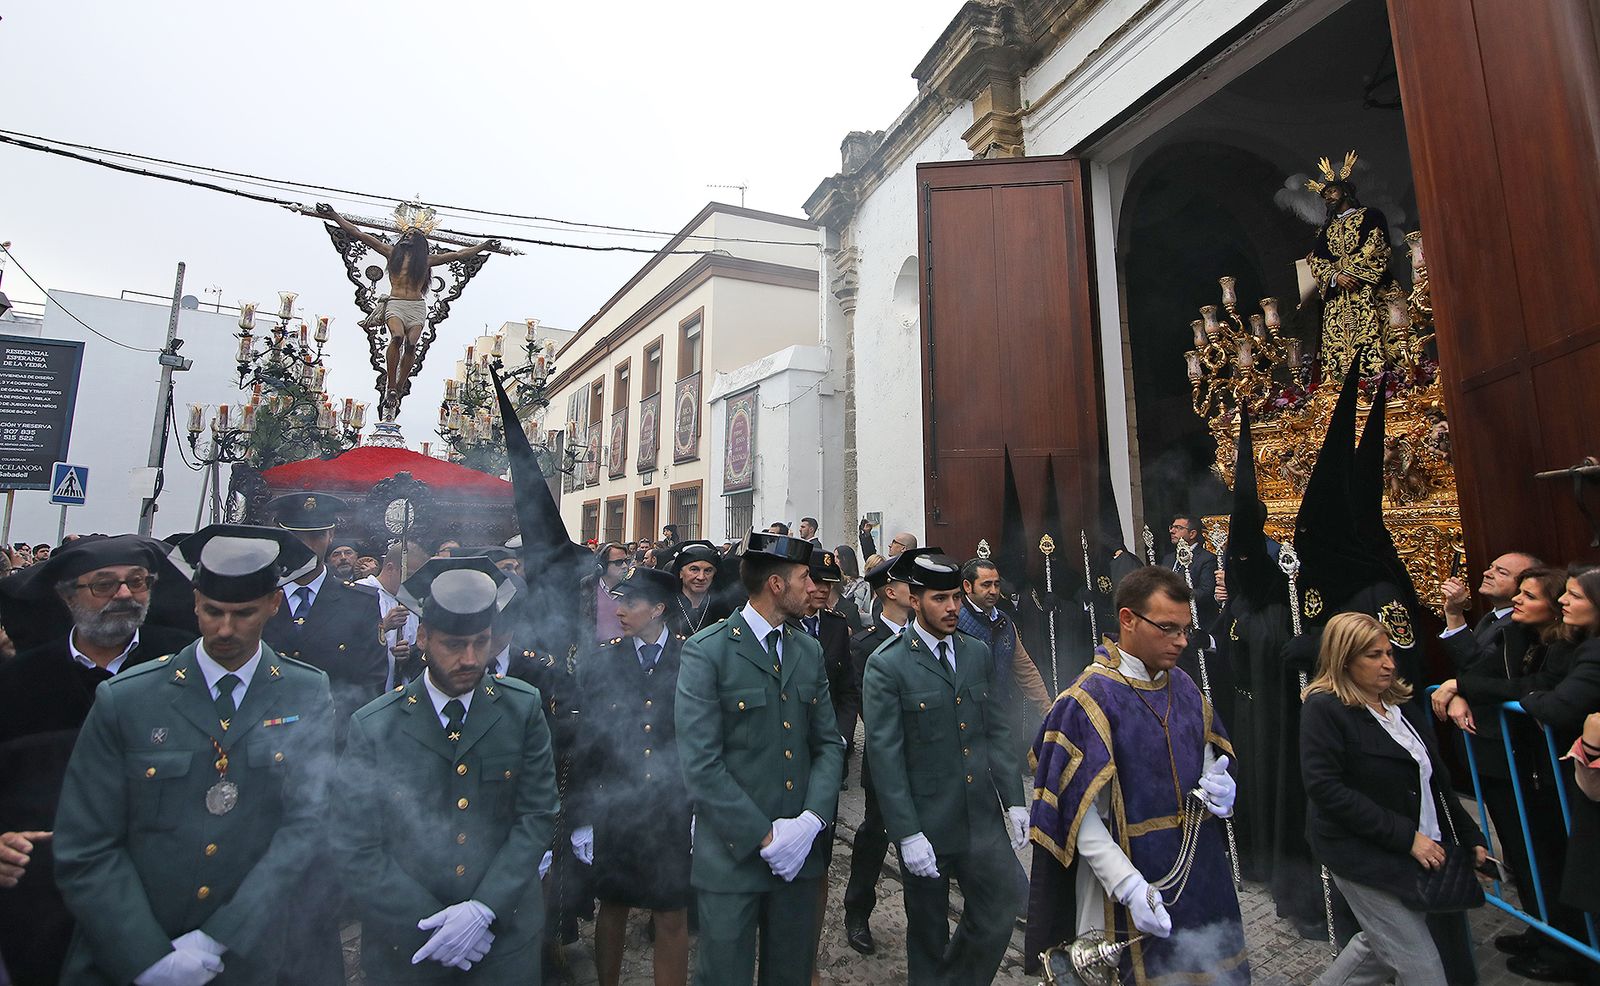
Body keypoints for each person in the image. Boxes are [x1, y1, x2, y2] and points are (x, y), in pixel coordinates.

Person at [52, 525, 338, 986]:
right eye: (212, 611)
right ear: (194, 603)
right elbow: (85, 846)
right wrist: (145, 956)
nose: (225, 630)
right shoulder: (129, 698)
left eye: (243, 613)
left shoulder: (305, 692)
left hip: (254, 953)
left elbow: (307, 825)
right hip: (128, 956)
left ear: (273, 605)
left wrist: (219, 936)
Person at [333, 556, 557, 983]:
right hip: (408, 941)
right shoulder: (375, 724)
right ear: (423, 637)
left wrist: (483, 908)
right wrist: (430, 921)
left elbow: (536, 816)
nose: (470, 658)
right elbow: (357, 843)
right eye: (454, 645)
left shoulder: (521, 707)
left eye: (481, 642)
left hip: (503, 934)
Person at [1026, 566, 1246, 984]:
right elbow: (1076, 813)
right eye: (1168, 628)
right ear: (1128, 620)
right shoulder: (1087, 699)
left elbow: (1208, 757)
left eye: (1185, 628)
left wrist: (1222, 785)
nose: (1182, 641)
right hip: (1120, 884)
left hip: (1196, 872)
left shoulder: (1182, 686)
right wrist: (1127, 885)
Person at [0, 535, 197, 985]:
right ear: (68, 596)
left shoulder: (185, 667)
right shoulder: (18, 681)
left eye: (137, 582)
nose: (124, 594)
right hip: (40, 900)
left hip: (155, 901)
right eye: (104, 585)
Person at [674, 530, 845, 985]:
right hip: (733, 860)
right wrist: (766, 838)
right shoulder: (706, 651)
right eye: (806, 578)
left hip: (799, 857)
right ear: (776, 584)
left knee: (789, 974)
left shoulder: (807, 650)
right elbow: (701, 764)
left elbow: (828, 743)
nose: (816, 589)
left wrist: (810, 823)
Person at [862, 549, 1028, 984]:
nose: (952, 607)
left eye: (956, 597)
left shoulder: (975, 652)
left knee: (1001, 907)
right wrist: (907, 833)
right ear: (914, 600)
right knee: (928, 935)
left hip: (979, 817)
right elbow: (885, 757)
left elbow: (995, 731)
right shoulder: (887, 664)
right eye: (940, 598)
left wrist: (1014, 800)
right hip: (928, 824)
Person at [1300, 612, 1488, 986]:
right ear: (1345, 658)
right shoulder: (1324, 709)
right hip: (1363, 852)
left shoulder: (1401, 708)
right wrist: (1406, 837)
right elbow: (1326, 788)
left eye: (1389, 653)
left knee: (1379, 945)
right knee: (1422, 968)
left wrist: (1471, 836)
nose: (1388, 664)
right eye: (1373, 655)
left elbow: (1436, 781)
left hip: (1419, 848)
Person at [572, 565, 692, 986]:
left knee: (671, 910)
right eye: (619, 601)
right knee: (614, 905)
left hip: (671, 807)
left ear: (658, 608)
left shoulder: (690, 659)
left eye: (631, 603)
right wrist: (582, 817)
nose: (620, 610)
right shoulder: (603, 661)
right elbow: (588, 741)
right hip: (617, 806)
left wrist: (700, 808)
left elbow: (701, 738)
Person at [317, 203, 500, 413]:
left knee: (412, 344)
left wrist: (484, 246)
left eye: (412, 234)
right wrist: (334, 215)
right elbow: (358, 233)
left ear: (419, 242)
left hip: (416, 307)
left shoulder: (427, 261)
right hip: (395, 303)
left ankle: (399, 386)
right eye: (406, 233)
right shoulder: (390, 252)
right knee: (396, 337)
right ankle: (391, 384)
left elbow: (460, 255)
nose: (406, 236)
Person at [260, 494, 389, 739]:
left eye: (317, 536)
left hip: (331, 738)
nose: (308, 546)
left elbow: (371, 682)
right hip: (265, 739)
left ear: (330, 536)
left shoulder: (360, 602)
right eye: (298, 537)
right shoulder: (260, 596)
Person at [840, 554, 908, 955]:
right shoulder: (864, 644)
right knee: (874, 836)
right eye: (908, 585)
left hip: (927, 759)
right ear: (890, 592)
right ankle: (857, 911)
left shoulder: (927, 634)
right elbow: (868, 703)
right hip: (885, 757)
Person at [1303, 152, 1403, 380]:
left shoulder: (1370, 216)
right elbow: (1317, 259)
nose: (1328, 197)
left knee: (1381, 343)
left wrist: (1349, 272)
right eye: (1325, 194)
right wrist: (1335, 277)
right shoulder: (1325, 230)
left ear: (1345, 191)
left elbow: (1376, 246)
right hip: (1338, 299)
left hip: (1368, 289)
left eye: (1332, 191)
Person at [957, 557, 1053, 773]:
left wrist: (1048, 710)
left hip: (1000, 715)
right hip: (965, 722)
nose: (993, 590)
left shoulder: (1004, 622)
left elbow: (1025, 669)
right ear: (967, 586)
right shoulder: (954, 621)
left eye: (996, 584)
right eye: (986, 584)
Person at [1438, 551, 1542, 672]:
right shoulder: (1492, 616)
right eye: (1490, 568)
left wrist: (1454, 614)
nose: (1487, 573)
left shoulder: (1518, 625)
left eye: (1502, 572)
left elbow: (1479, 668)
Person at [356, 539, 424, 689]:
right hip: (363, 690)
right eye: (410, 574)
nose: (414, 581)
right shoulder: (359, 592)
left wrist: (407, 655)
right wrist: (383, 626)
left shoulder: (411, 602)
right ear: (390, 568)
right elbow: (345, 640)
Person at [1160, 513, 1218, 631]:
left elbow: (1206, 592)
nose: (1172, 531)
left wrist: (1177, 593)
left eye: (1179, 528)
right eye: (1172, 527)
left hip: (1195, 622)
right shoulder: (1168, 558)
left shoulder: (1206, 559)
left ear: (1192, 534)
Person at [664, 540, 731, 638]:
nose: (701, 577)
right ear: (680, 573)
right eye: (694, 569)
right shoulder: (666, 607)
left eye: (708, 571)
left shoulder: (722, 608)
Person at [581, 543, 631, 644]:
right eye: (618, 562)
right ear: (602, 565)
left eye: (626, 561)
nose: (625, 566)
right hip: (593, 651)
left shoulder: (633, 588)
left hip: (625, 652)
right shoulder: (587, 585)